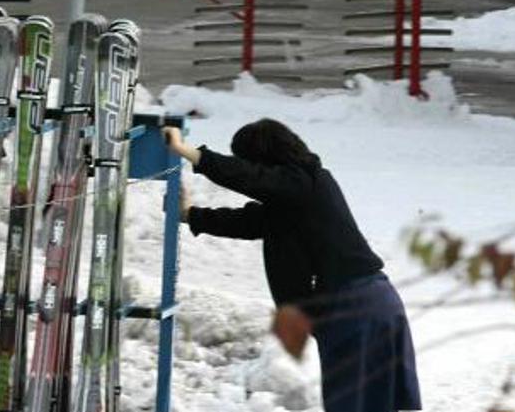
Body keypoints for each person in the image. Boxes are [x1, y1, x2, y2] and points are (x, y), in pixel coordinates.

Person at [162, 119, 421, 412]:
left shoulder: (305, 183)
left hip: (355, 309)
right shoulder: (296, 196)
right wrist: (190, 215)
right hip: (367, 305)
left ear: (264, 158)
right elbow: (249, 222)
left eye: (247, 161)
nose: (248, 169)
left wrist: (188, 152)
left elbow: (252, 178)